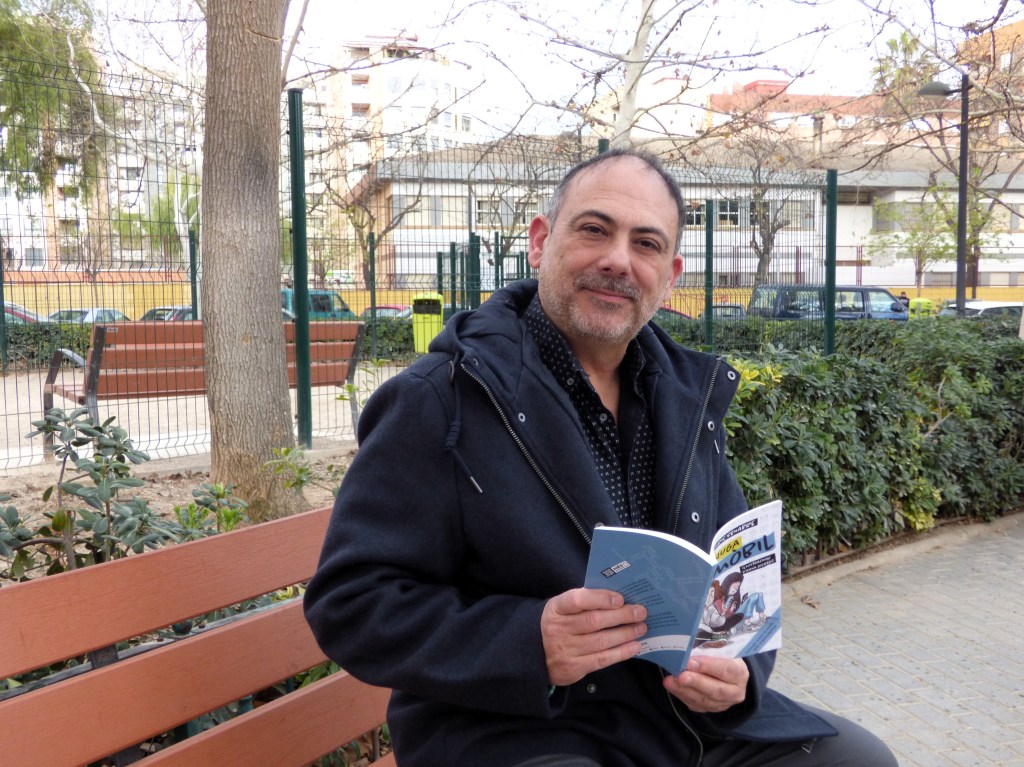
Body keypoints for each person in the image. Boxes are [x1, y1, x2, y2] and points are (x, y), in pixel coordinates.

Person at [304, 149, 898, 767]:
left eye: (645, 244)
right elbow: (351, 604)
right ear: (540, 242)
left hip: (672, 720)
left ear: (670, 276)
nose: (618, 260)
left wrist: (738, 676)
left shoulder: (687, 397)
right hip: (515, 729)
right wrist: (528, 643)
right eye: (594, 230)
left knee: (857, 759)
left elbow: (739, 590)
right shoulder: (443, 397)